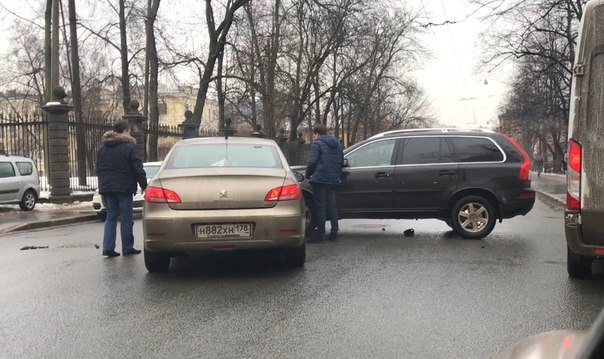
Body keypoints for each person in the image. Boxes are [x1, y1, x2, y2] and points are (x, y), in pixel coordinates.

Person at [96, 121, 147, 257]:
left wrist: (103, 185)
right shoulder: (129, 146)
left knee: (111, 217)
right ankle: (127, 247)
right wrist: (143, 185)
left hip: (107, 187)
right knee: (126, 217)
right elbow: (137, 167)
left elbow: (99, 169)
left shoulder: (103, 148)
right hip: (124, 187)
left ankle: (108, 247)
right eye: (129, 131)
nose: (130, 133)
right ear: (125, 131)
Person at [305, 124, 344, 242]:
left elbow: (312, 162)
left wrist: (307, 175)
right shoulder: (337, 145)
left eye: (314, 134)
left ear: (317, 133)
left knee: (320, 207)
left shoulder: (317, 144)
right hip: (333, 180)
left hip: (320, 179)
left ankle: (320, 234)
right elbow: (341, 161)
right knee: (332, 206)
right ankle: (334, 232)